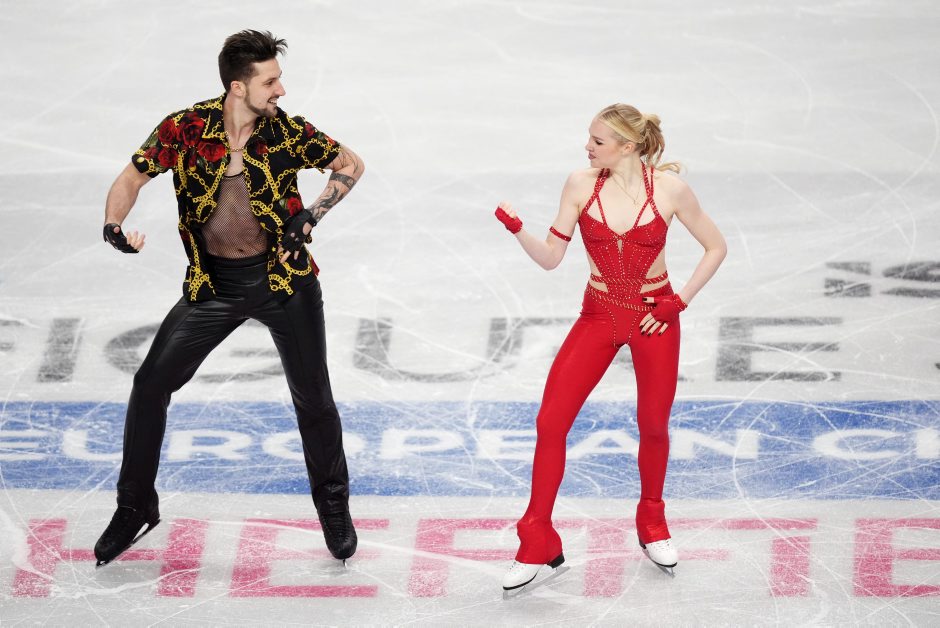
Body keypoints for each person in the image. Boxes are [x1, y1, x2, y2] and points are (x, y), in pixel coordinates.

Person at [95, 30, 364, 566]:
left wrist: (311, 215)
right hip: (213, 286)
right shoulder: (186, 128)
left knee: (313, 398)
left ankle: (334, 506)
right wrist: (113, 224)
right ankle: (135, 505)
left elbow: (350, 164)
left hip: (284, 282)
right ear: (238, 87)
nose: (281, 90)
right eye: (270, 81)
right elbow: (132, 177)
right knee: (149, 385)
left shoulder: (287, 131)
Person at [494, 104, 726, 590]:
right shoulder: (580, 185)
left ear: (627, 146)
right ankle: (537, 535)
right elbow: (552, 258)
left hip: (653, 318)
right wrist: (518, 231)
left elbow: (716, 246)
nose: (587, 147)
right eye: (589, 138)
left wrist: (678, 301)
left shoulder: (671, 190)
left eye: (597, 141)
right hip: (599, 315)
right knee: (550, 422)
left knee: (653, 424)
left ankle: (652, 520)